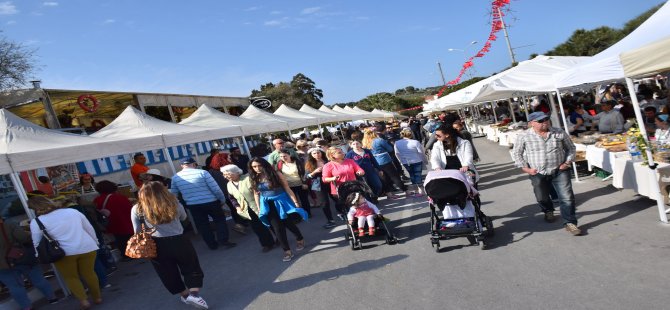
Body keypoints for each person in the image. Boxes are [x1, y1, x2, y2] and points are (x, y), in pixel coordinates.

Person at [133, 181, 208, 309]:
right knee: (191, 266)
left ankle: (185, 295)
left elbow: (137, 231)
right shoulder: (174, 202)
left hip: (156, 244)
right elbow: (183, 217)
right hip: (179, 240)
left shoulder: (137, 209)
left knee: (167, 273)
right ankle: (194, 295)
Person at [511, 112, 581, 236]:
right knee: (541, 197)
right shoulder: (524, 136)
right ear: (531, 123)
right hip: (537, 172)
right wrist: (525, 168)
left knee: (567, 197)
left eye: (546, 119)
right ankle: (548, 210)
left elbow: (571, 148)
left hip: (559, 170)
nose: (545, 122)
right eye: (540, 120)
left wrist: (567, 162)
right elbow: (517, 153)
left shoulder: (558, 132)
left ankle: (570, 223)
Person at [28, 196, 101, 309]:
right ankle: (97, 297)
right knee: (90, 273)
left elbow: (36, 242)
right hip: (87, 247)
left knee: (71, 277)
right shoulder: (72, 211)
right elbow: (88, 228)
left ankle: (84, 301)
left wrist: (39, 255)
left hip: (63, 253)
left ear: (35, 209)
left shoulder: (36, 222)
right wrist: (95, 241)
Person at [249, 157, 308, 262]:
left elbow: (287, 188)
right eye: (254, 166)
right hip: (267, 204)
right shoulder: (254, 177)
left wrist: (295, 202)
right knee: (277, 228)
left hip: (282, 202)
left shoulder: (276, 174)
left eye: (259, 165)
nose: (257, 168)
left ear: (264, 165)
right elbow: (256, 194)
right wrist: (259, 208)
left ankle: (299, 238)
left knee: (288, 223)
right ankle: (287, 251)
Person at [170, 157, 236, 250]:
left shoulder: (175, 177)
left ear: (182, 166)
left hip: (193, 205)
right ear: (194, 164)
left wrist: (184, 204)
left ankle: (212, 245)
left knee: (203, 225)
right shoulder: (203, 173)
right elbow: (216, 189)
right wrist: (222, 200)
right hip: (211, 201)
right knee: (219, 220)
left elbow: (174, 194)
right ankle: (223, 240)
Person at [0, 217, 59, 310]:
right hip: (20, 257)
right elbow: (23, 238)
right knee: (37, 278)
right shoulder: (8, 224)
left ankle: (27, 307)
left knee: (14, 286)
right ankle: (52, 298)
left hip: (2, 266)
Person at [221, 164, 275, 252]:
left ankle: (279, 238)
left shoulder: (248, 178)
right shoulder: (229, 184)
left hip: (259, 205)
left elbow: (259, 190)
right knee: (257, 227)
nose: (226, 176)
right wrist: (237, 207)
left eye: (228, 174)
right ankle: (267, 244)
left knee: (270, 222)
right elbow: (231, 198)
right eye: (224, 174)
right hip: (246, 209)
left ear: (236, 172)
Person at [93, 180, 134, 260]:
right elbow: (130, 209)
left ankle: (126, 255)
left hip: (112, 224)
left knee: (119, 239)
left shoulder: (97, 200)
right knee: (130, 238)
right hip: (127, 222)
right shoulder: (121, 197)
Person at [363, 126, 407, 196]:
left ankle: (390, 194)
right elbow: (390, 149)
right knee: (394, 176)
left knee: (383, 178)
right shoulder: (379, 140)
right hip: (384, 160)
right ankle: (405, 191)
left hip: (374, 162)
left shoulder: (364, 143)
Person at [322, 147, 366, 213]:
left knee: (357, 202)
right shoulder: (328, 166)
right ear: (332, 155)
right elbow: (324, 179)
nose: (343, 153)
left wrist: (360, 172)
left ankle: (360, 217)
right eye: (339, 152)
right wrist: (332, 178)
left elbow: (359, 169)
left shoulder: (350, 161)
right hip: (340, 189)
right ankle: (346, 215)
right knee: (347, 206)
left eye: (342, 151)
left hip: (353, 186)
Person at [305, 148, 337, 228]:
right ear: (311, 155)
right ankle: (330, 220)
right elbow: (306, 176)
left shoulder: (328, 161)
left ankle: (343, 213)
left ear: (321, 153)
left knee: (337, 198)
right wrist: (314, 172)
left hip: (330, 182)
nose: (317, 155)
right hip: (318, 184)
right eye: (314, 153)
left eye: (318, 153)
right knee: (324, 203)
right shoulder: (310, 163)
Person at [277, 148, 312, 218]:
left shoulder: (297, 162)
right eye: (281, 157)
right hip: (288, 186)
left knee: (304, 200)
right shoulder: (280, 164)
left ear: (289, 155)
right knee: (293, 201)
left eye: (285, 156)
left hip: (300, 184)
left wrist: (304, 183)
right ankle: (297, 215)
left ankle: (307, 213)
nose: (283, 158)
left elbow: (304, 173)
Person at [394, 128, 425, 196]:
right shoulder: (415, 142)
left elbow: (397, 153)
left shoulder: (397, 143)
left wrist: (400, 160)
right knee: (418, 175)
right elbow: (421, 152)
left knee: (412, 175)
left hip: (405, 161)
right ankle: (421, 190)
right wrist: (424, 160)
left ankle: (416, 190)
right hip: (417, 160)